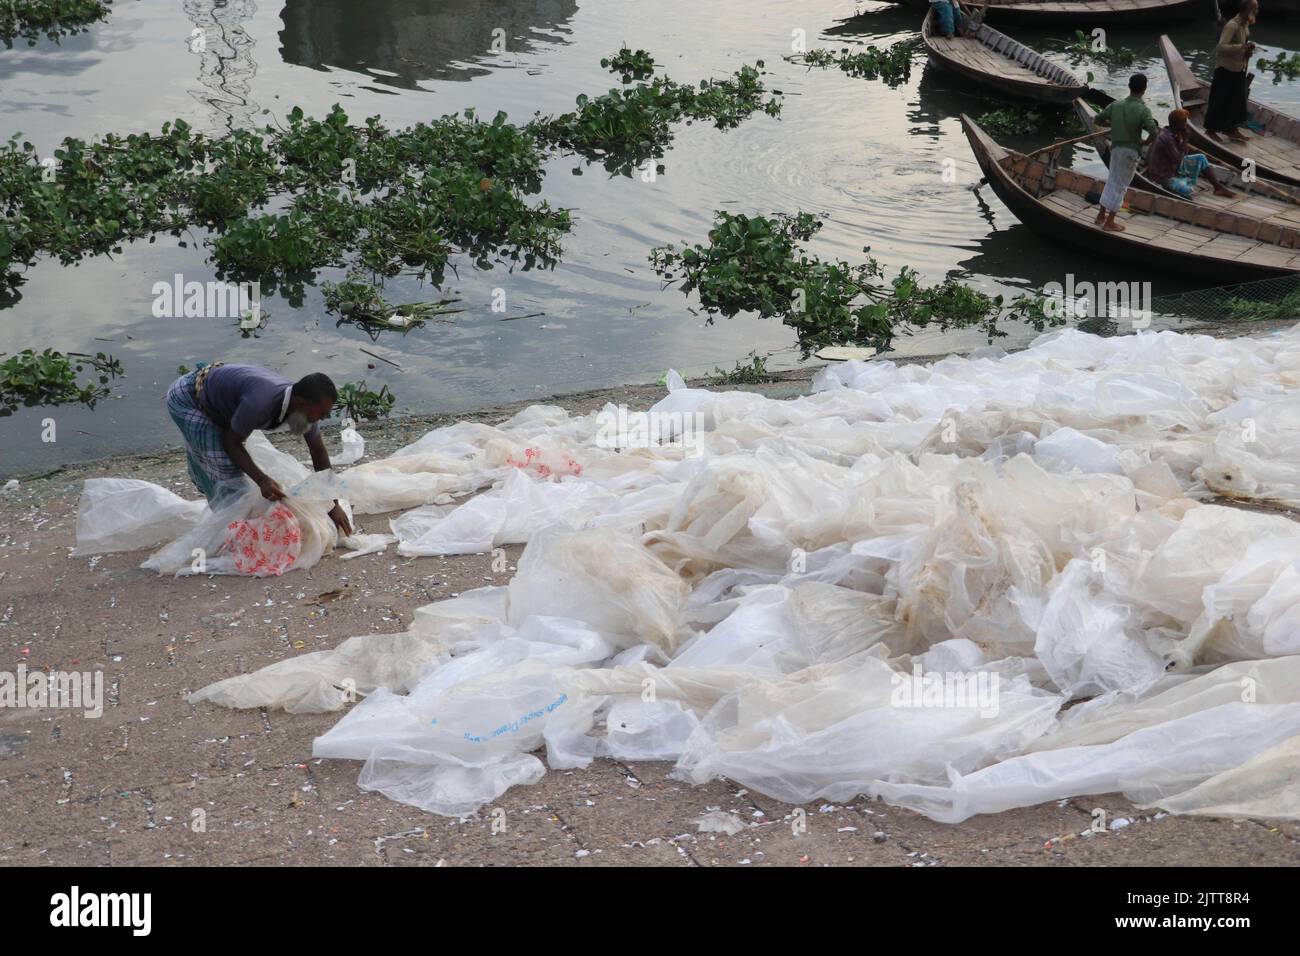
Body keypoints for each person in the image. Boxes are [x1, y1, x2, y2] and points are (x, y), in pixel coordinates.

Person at [166, 362, 352, 534]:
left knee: (222, 466)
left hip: (220, 400)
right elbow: (232, 442)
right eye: (321, 413)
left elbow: (318, 453)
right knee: (226, 472)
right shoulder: (261, 402)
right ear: (301, 404)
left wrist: (333, 505)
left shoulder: (304, 408)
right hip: (188, 399)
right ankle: (234, 532)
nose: (324, 418)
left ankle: (233, 517)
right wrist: (262, 479)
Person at [1093, 73, 1159, 232]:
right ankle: (1110, 222)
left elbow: (1098, 119)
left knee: (1112, 180)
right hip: (1130, 151)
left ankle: (1101, 216)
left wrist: (1113, 124)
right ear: (1144, 90)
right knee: (1121, 185)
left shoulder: (1116, 105)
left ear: (1129, 86)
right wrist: (1146, 142)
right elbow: (1154, 131)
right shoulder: (1143, 110)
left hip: (1115, 149)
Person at [1144, 109, 1236, 199]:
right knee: (1188, 190)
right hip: (1161, 177)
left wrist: (1182, 139)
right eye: (1185, 122)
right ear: (1179, 124)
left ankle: (1218, 187)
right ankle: (1181, 183)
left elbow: (1181, 155)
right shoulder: (1167, 138)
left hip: (1171, 169)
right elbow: (1179, 160)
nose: (1186, 125)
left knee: (1201, 157)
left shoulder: (1172, 133)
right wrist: (1186, 140)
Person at [1205, 0, 1257, 143]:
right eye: (1254, 9)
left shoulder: (1245, 25)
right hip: (1226, 68)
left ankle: (1231, 129)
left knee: (1237, 100)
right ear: (1246, 9)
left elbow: (1243, 46)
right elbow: (1221, 47)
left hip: (1239, 67)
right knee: (1220, 100)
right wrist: (1242, 47)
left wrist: (1248, 50)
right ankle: (1210, 129)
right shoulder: (1232, 25)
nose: (1256, 12)